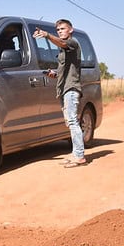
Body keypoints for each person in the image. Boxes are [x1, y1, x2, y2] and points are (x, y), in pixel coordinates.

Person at [33, 19, 86, 167]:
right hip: (63, 90)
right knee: (70, 122)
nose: (60, 31)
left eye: (63, 29)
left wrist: (47, 36)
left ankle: (79, 155)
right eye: (58, 30)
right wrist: (54, 74)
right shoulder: (63, 50)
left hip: (71, 89)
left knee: (73, 121)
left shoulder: (73, 43)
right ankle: (76, 153)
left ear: (70, 30)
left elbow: (63, 43)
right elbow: (65, 71)